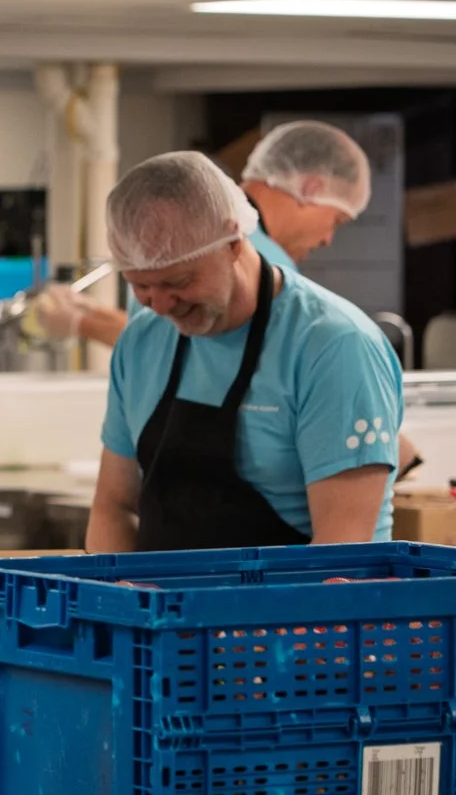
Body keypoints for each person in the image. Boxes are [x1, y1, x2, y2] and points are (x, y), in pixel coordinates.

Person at [86, 151, 402, 552]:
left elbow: (342, 549)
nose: (161, 305)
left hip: (296, 608)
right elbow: (114, 507)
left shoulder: (333, 347)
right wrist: (116, 601)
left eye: (177, 281)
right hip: (163, 610)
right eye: (141, 286)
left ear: (234, 242)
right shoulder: (141, 341)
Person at [35, 119, 373, 347]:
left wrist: (84, 320)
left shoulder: (254, 254)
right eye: (336, 221)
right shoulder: (256, 259)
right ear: (312, 188)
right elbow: (170, 345)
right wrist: (85, 321)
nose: (328, 238)